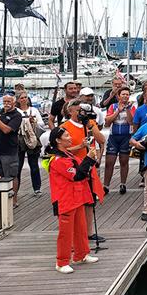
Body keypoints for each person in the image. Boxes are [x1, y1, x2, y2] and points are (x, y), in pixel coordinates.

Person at [45, 127, 100, 273]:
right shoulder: (58, 159)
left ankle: (81, 254)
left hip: (77, 197)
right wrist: (88, 158)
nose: (70, 138)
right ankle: (61, 262)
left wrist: (90, 158)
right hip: (65, 199)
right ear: (58, 140)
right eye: (67, 136)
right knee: (66, 233)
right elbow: (76, 175)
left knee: (80, 228)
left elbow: (80, 169)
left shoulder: (67, 154)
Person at [62, 99, 107, 241]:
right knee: (77, 202)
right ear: (70, 111)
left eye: (81, 110)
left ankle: (89, 231)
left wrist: (89, 124)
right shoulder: (65, 127)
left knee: (90, 200)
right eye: (77, 110)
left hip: (89, 166)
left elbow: (101, 140)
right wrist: (79, 147)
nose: (80, 113)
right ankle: (77, 232)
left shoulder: (88, 124)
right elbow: (62, 150)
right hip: (75, 167)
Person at [0, 94, 23, 206]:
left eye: (9, 101)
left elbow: (7, 130)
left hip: (9, 151)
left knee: (11, 175)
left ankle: (14, 201)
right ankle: (0, 198)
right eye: (4, 101)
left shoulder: (17, 115)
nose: (6, 103)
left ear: (14, 102)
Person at [103, 87, 134, 195]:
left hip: (126, 137)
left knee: (124, 161)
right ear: (119, 96)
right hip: (114, 137)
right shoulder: (113, 106)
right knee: (109, 162)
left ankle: (123, 184)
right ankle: (106, 186)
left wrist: (128, 110)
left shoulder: (132, 106)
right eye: (123, 94)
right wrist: (118, 111)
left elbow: (131, 122)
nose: (125, 96)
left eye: (127, 94)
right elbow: (107, 121)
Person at [15, 92, 44, 195]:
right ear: (18, 100)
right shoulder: (16, 111)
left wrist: (33, 121)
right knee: (18, 166)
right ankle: (15, 189)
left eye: (25, 97)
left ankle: (37, 188)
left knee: (34, 165)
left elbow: (41, 124)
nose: (23, 99)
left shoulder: (34, 110)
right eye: (21, 98)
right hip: (19, 139)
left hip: (32, 139)